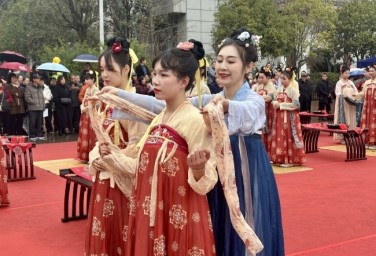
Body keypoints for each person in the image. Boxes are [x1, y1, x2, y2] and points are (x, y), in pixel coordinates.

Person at [101, 28, 284, 256]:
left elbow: (248, 115)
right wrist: (118, 95)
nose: (222, 67)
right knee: (217, 226)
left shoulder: (253, 99)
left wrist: (225, 107)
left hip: (244, 171)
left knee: (245, 223)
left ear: (248, 67)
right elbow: (166, 105)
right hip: (211, 170)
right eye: (219, 60)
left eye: (231, 61)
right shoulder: (207, 99)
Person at [99, 41, 218, 255]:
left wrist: (199, 168)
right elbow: (140, 167)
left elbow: (207, 181)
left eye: (164, 75)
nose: (155, 81)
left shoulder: (195, 120)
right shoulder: (158, 119)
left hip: (180, 212)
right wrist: (112, 157)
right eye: (155, 74)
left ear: (184, 81)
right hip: (150, 210)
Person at [85, 37, 148, 256]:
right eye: (102, 69)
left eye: (110, 69)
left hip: (121, 181)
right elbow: (99, 139)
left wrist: (109, 159)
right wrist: (96, 157)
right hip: (103, 179)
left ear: (126, 69)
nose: (104, 75)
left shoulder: (134, 103)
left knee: (122, 235)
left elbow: (137, 146)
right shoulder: (106, 101)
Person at [269, 68, 306, 167]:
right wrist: (275, 103)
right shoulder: (279, 89)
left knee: (289, 135)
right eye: (281, 78)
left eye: (284, 79)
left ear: (290, 79)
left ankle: (289, 160)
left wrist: (281, 105)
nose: (282, 80)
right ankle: (280, 158)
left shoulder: (293, 91)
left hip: (290, 117)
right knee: (280, 136)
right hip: (279, 117)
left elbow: (296, 105)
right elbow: (273, 99)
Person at [253, 66, 276, 154]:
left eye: (262, 77)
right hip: (261, 112)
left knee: (269, 131)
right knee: (261, 131)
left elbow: (269, 98)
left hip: (269, 111)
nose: (260, 79)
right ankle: (263, 151)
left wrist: (258, 98)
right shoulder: (259, 86)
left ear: (268, 78)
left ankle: (269, 152)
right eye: (259, 77)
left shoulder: (271, 87)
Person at [77, 71, 99, 162]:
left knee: (91, 135)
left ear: (93, 79)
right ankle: (84, 155)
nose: (86, 81)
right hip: (85, 114)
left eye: (88, 79)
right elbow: (83, 100)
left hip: (91, 115)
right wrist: (83, 107)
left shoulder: (95, 90)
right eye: (85, 79)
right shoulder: (87, 89)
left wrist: (87, 108)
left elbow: (96, 103)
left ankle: (92, 156)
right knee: (84, 134)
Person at [333, 66, 359, 142]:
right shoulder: (339, 83)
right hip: (343, 104)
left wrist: (355, 96)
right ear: (342, 73)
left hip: (350, 104)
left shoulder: (351, 82)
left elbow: (356, 91)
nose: (347, 75)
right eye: (346, 73)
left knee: (351, 118)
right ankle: (342, 136)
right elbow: (337, 93)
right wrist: (343, 92)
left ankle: (351, 134)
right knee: (344, 118)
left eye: (348, 73)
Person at [359, 64, 376, 149]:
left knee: (374, 121)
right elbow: (362, 93)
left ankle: (374, 142)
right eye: (370, 71)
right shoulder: (366, 82)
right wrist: (354, 95)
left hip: (375, 105)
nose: (371, 72)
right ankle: (366, 140)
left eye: (373, 71)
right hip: (367, 105)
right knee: (366, 121)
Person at [24, 73, 45, 141]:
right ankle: (32, 135)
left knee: (39, 122)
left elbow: (42, 97)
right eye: (38, 78)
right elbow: (27, 97)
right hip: (32, 108)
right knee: (32, 122)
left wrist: (43, 105)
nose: (39, 80)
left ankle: (38, 134)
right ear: (33, 79)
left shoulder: (40, 87)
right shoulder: (28, 87)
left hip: (40, 107)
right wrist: (35, 102)